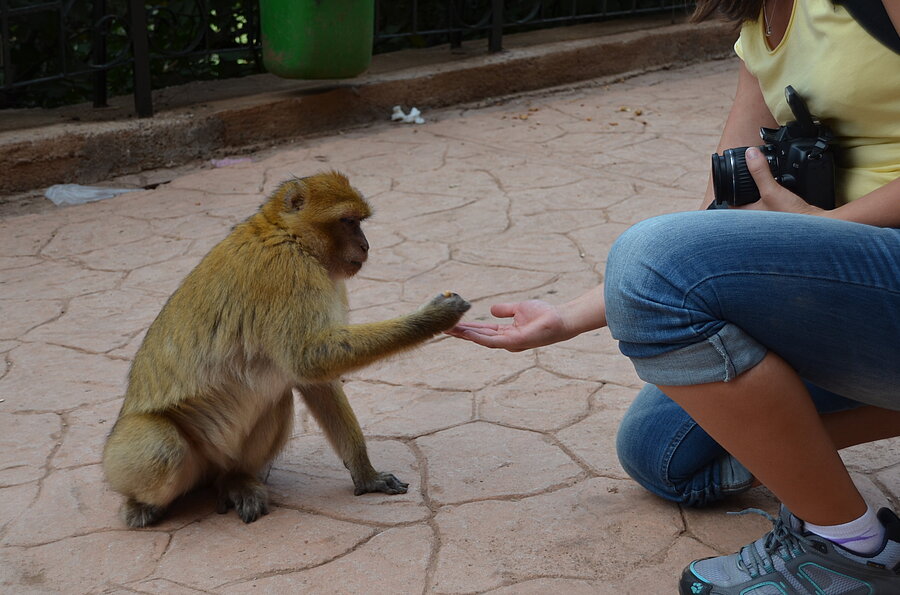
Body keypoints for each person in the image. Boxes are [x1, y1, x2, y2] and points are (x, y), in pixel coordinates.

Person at [447, 0, 900, 592]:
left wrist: (832, 224)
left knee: (654, 262)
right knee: (664, 455)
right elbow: (721, 218)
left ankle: (850, 551)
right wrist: (567, 316)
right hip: (847, 292)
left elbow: (674, 261)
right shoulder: (759, 27)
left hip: (876, 267)